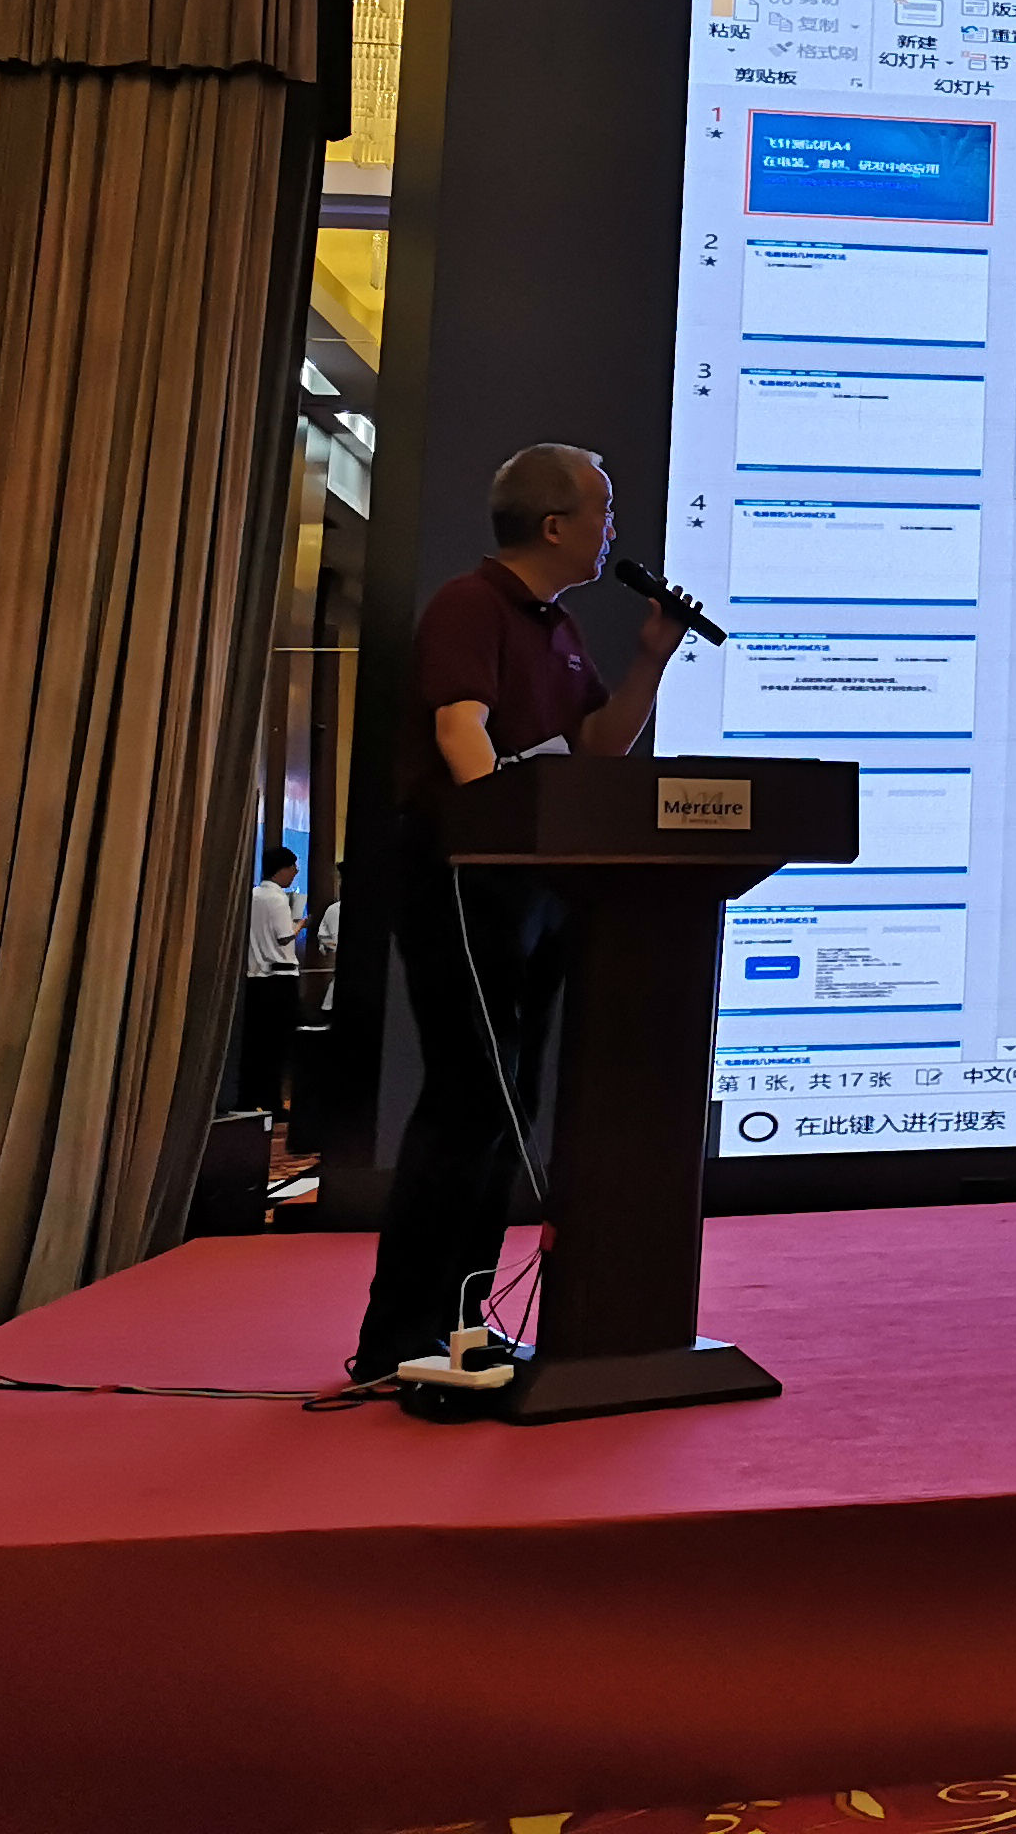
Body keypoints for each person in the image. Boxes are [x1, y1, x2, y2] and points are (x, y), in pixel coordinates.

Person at [349, 442, 689, 1386]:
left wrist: (651, 660)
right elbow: (460, 729)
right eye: (602, 509)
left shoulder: (559, 626)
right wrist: (503, 829)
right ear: (553, 525)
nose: (612, 529)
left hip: (535, 885)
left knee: (508, 1103)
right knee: (471, 1095)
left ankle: (462, 1326)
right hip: (468, 877)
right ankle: (398, 1337)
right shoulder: (471, 604)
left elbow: (597, 748)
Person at [235, 845, 304, 1117]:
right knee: (278, 1045)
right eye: (293, 867)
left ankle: (248, 1099)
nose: (295, 872)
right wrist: (300, 924)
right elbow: (284, 937)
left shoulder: (253, 895)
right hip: (280, 978)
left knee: (255, 1043)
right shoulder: (277, 899)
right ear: (282, 869)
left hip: (255, 977)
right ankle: (274, 1102)